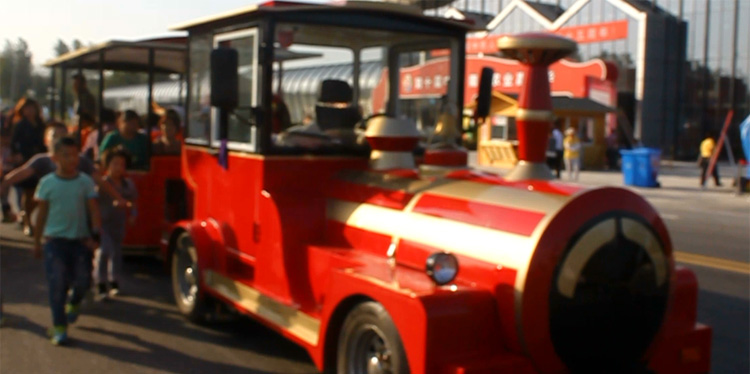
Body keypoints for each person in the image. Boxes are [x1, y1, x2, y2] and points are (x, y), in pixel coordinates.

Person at [33, 136, 101, 345]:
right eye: (66, 155)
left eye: (75, 155)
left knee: (82, 281)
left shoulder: (85, 182)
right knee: (57, 283)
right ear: (55, 158)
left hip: (80, 241)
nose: (72, 159)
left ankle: (75, 302)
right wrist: (37, 242)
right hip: (55, 242)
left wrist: (96, 235)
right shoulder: (47, 184)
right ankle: (59, 327)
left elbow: (93, 211)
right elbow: (42, 214)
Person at [1, 122, 127, 209]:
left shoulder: (81, 160)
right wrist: (4, 184)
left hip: (77, 207)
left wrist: (117, 197)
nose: (59, 139)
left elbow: (99, 180)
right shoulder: (41, 160)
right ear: (46, 141)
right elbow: (22, 172)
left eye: (62, 135)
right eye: (55, 136)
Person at [95, 147, 137, 300]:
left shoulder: (128, 184)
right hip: (103, 224)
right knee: (104, 251)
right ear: (107, 165)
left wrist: (133, 214)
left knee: (117, 253)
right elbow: (93, 202)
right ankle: (100, 283)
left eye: (122, 164)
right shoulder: (103, 183)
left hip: (118, 224)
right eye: (115, 164)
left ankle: (114, 281)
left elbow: (133, 202)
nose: (118, 168)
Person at [10, 98, 46, 235]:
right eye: (27, 108)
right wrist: (17, 154)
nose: (30, 111)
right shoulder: (21, 125)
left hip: (41, 161)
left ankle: (29, 216)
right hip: (27, 161)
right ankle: (27, 221)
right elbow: (15, 143)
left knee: (40, 193)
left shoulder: (41, 125)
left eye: (32, 108)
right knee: (28, 192)